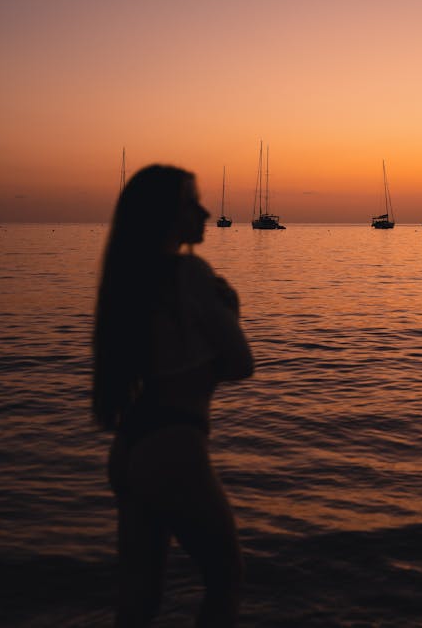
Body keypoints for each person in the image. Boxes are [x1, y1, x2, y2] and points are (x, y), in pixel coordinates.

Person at [92, 165, 253, 627]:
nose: (205, 211)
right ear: (165, 214)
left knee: (139, 601)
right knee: (226, 576)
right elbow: (240, 364)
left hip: (130, 446)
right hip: (174, 447)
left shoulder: (131, 280)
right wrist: (230, 312)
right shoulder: (188, 272)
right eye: (191, 201)